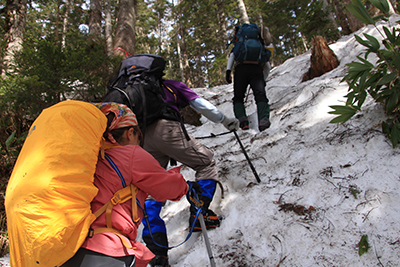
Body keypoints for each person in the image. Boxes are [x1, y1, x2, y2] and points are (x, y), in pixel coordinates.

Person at [61, 102, 197, 267]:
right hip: (107, 251)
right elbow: (171, 189)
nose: (139, 141)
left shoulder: (88, 159)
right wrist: (184, 184)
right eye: (139, 136)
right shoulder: (130, 154)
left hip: (69, 250)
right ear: (130, 132)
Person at [140, 79, 239, 267]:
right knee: (206, 163)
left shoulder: (134, 93)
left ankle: (157, 253)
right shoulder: (169, 85)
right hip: (168, 130)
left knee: (150, 188)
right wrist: (225, 120)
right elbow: (201, 105)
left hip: (143, 137)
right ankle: (200, 214)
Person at [225, 24, 272, 132]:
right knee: (260, 96)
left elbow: (232, 55)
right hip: (257, 69)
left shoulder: (240, 42)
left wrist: (228, 71)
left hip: (241, 69)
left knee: (238, 97)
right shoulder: (259, 42)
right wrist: (263, 79)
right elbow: (267, 64)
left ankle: (243, 121)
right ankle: (263, 121)